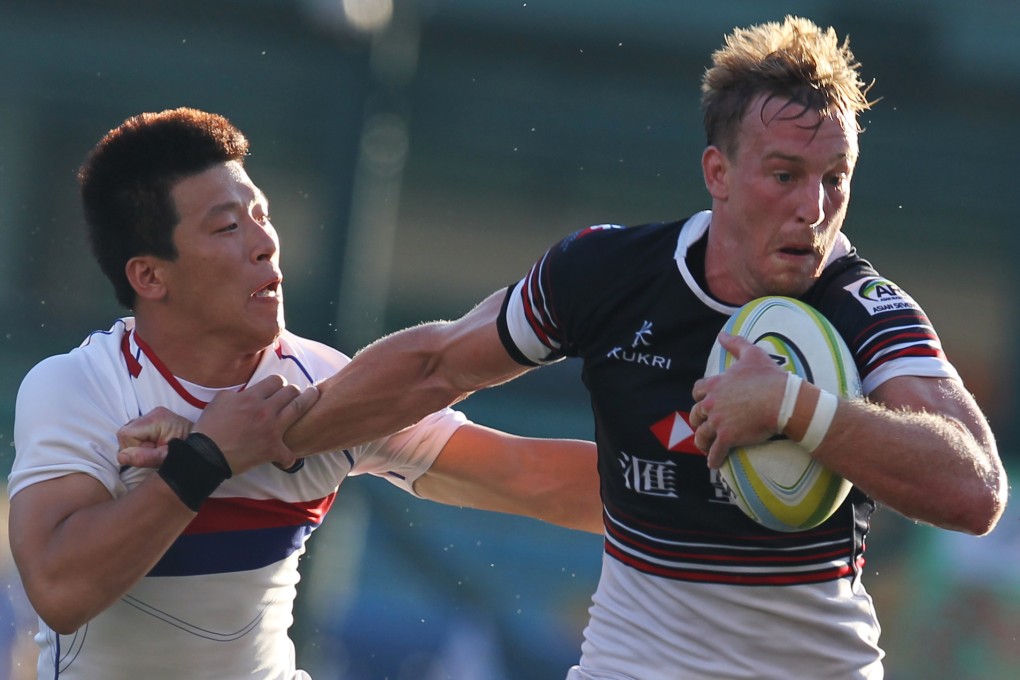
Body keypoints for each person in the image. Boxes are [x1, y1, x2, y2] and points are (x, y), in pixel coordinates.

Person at [282, 16, 1008, 679]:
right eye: (785, 175)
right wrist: (270, 438)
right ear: (717, 174)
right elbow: (437, 363)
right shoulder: (607, 273)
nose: (812, 209)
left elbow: (976, 491)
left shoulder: (865, 310)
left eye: (835, 179)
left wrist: (795, 407)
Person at [6, 107, 602, 680]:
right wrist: (206, 462)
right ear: (150, 276)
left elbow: (529, 475)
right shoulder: (81, 386)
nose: (264, 242)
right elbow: (61, 592)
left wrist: (683, 486)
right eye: (226, 226)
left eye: (261, 215)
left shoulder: (323, 383)